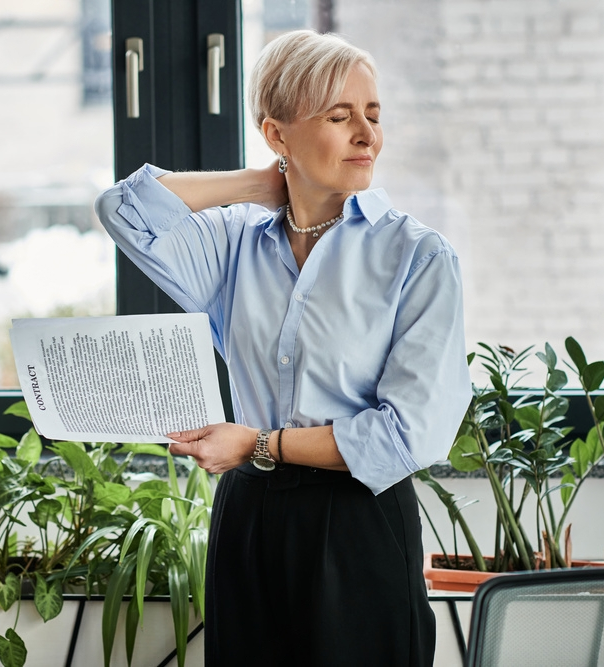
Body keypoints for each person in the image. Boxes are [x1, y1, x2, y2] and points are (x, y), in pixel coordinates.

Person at [95, 29, 471, 667]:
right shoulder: (234, 245)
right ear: (277, 134)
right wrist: (258, 184)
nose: (366, 135)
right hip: (250, 517)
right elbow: (123, 210)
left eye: (373, 115)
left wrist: (259, 444)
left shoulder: (416, 256)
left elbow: (409, 435)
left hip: (359, 520)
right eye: (338, 115)